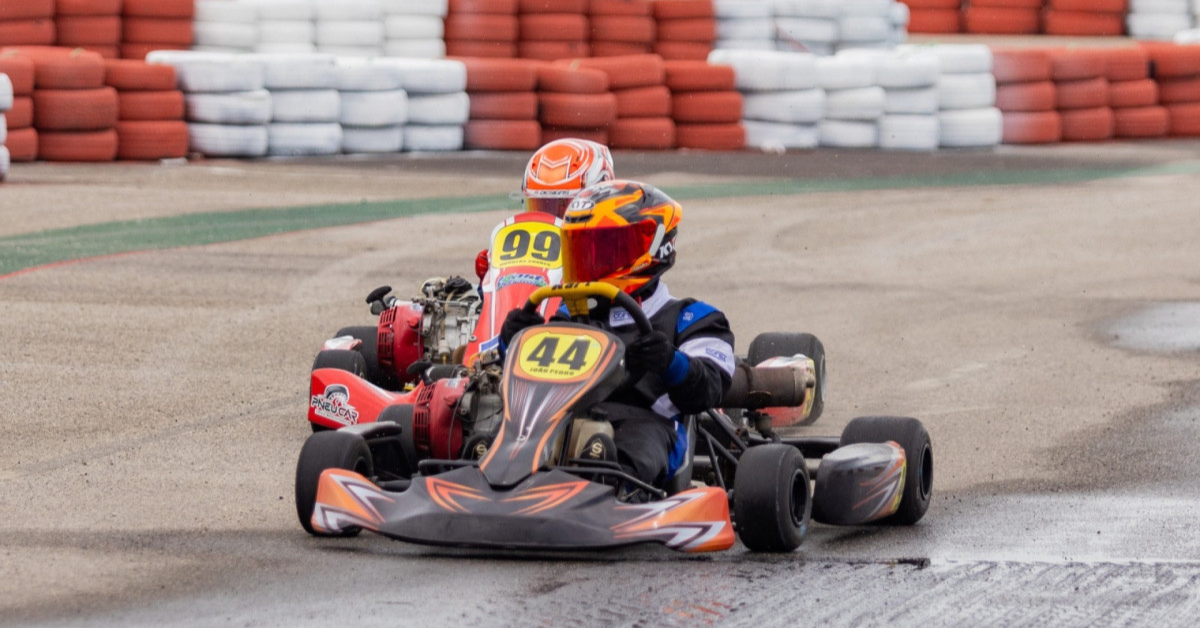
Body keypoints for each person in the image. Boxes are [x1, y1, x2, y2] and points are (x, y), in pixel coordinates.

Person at [500, 180, 736, 499]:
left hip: (647, 424)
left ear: (651, 248)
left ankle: (612, 491)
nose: (591, 261)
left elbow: (708, 390)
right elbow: (531, 384)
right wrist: (514, 342)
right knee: (495, 432)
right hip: (560, 419)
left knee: (625, 448)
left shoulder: (691, 317)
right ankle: (493, 479)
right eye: (582, 250)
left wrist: (671, 361)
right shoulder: (568, 316)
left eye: (604, 250)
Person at [474, 138, 615, 279]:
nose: (551, 219)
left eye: (563, 208)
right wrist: (491, 274)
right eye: (541, 207)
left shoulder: (614, 251)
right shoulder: (527, 247)